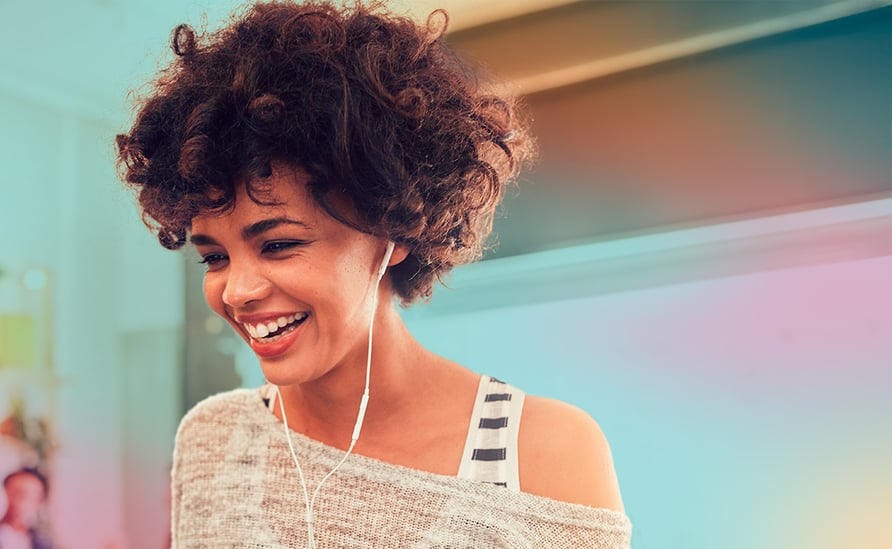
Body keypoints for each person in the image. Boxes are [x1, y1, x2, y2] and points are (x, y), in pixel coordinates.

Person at [114, 2, 631, 547]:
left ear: (394, 229)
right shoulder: (214, 441)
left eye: (279, 244)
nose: (238, 291)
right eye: (215, 257)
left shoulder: (541, 453)